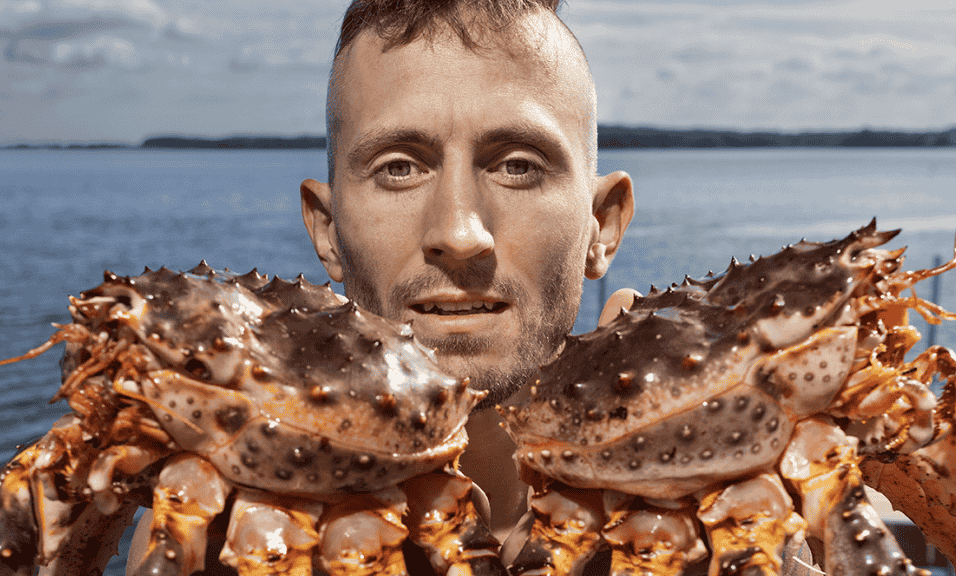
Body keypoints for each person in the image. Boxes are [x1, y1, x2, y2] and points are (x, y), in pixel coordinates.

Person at [128, 0, 636, 573]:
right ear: (328, 229)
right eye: (399, 168)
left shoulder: (723, 520)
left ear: (603, 225)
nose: (459, 233)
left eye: (518, 166)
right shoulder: (209, 536)